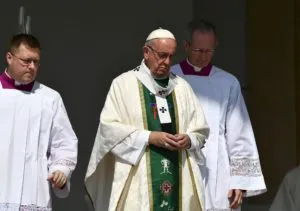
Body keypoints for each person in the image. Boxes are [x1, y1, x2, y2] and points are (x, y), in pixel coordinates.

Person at [85, 28, 209, 211]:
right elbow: (108, 130)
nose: (167, 62)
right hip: (139, 180)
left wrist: (189, 139)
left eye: (171, 56)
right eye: (162, 55)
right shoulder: (123, 84)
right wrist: (149, 137)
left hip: (178, 176)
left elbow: (200, 130)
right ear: (146, 52)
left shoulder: (182, 88)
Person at [171, 19, 267, 211]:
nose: (203, 57)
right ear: (186, 46)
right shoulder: (170, 78)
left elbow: (239, 132)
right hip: (178, 162)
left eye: (209, 51)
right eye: (198, 50)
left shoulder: (227, 82)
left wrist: (239, 181)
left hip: (218, 166)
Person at [0, 33, 78, 210]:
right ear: (9, 57)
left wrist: (61, 170)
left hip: (32, 191)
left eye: (36, 62)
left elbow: (64, 142)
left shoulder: (50, 98)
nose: (32, 66)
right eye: (26, 61)